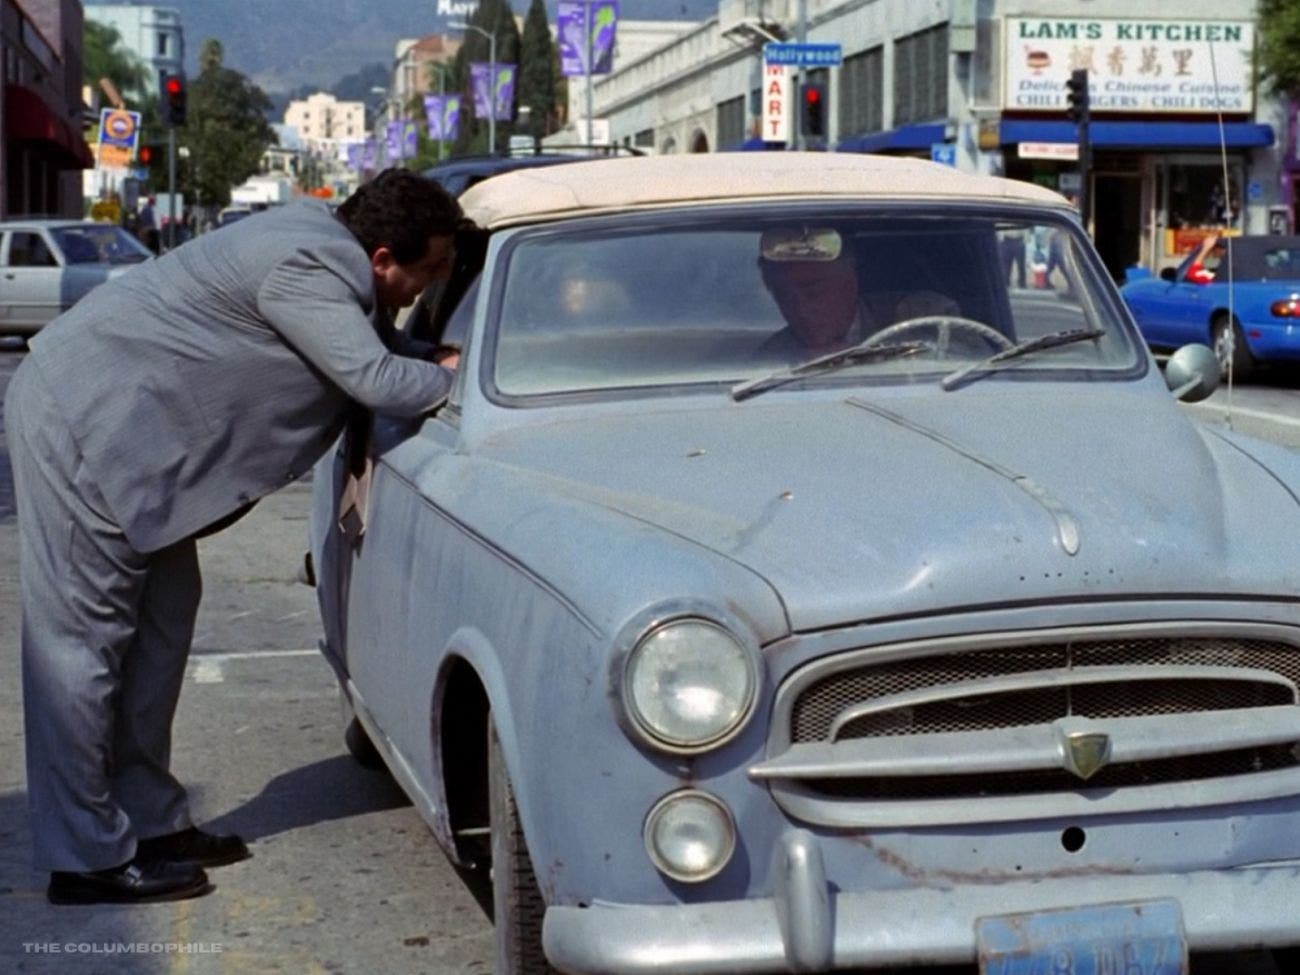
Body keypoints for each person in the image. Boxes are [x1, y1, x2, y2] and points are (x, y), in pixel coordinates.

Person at [4, 167, 465, 906]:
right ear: (382, 257)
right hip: (84, 426)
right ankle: (85, 855)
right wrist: (462, 379)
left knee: (160, 624)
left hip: (134, 446)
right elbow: (373, 377)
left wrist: (425, 359)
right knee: (80, 650)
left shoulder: (327, 248)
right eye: (430, 267)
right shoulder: (311, 265)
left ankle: (149, 819)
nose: (429, 286)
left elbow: (381, 348)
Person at [756, 227, 871, 358]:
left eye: (813, 293)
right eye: (785, 297)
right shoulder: (767, 360)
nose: (801, 310)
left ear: (850, 285)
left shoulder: (896, 330)